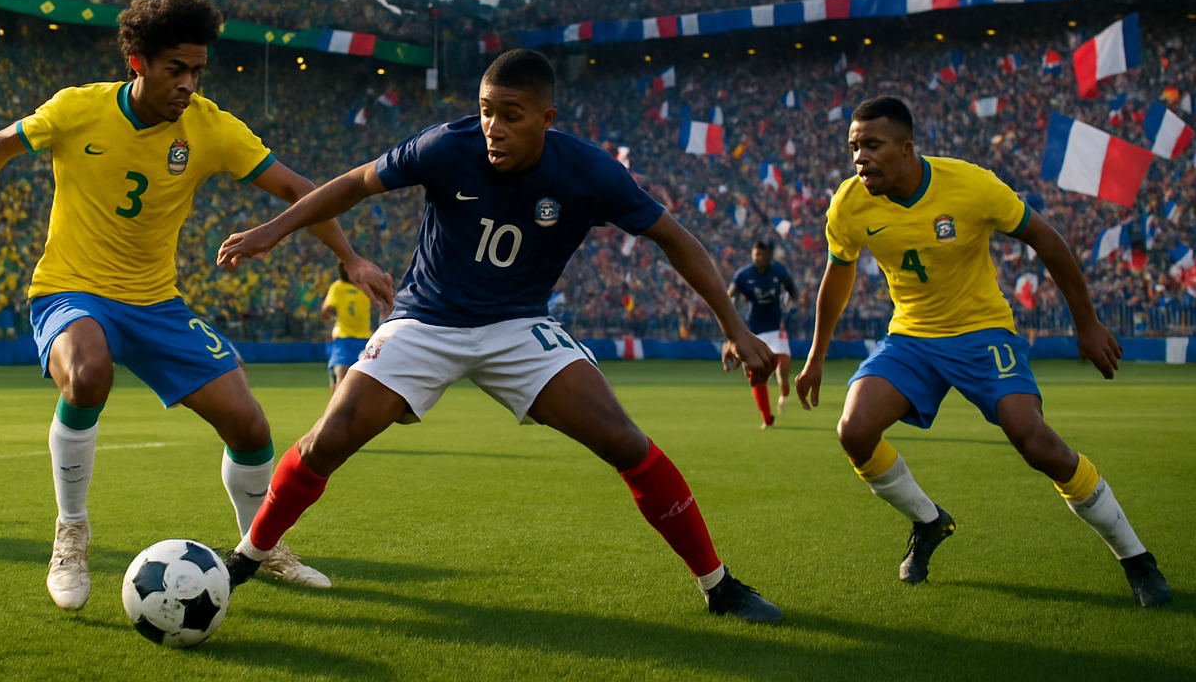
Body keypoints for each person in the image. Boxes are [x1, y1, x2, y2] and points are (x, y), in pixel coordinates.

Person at [216, 49, 783, 623]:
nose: (494, 126)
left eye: (511, 115)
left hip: (518, 325)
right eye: (487, 111)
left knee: (624, 441)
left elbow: (676, 238)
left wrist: (733, 328)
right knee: (328, 439)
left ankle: (718, 585)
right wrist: (273, 231)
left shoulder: (590, 172)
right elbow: (357, 182)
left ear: (546, 119)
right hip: (425, 319)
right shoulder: (446, 146)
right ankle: (247, 557)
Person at [0, 0, 392, 611]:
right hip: (71, 290)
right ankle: (71, 533)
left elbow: (299, 188)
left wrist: (350, 258)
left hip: (157, 303)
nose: (188, 83)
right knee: (88, 374)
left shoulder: (211, 127)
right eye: (175, 69)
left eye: (197, 71)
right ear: (137, 63)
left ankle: (261, 546)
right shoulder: (78, 108)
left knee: (249, 425)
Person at [795, 96, 1170, 606]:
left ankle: (1136, 558)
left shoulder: (970, 185)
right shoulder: (849, 203)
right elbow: (837, 276)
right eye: (854, 147)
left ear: (906, 147)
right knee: (854, 431)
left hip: (982, 332)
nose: (860, 158)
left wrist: (1086, 322)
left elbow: (1045, 238)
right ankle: (929, 522)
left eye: (872, 145)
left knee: (1035, 441)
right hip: (912, 337)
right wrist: (816, 355)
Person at [728, 240, 799, 427]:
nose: (758, 258)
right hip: (755, 330)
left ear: (768, 256)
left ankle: (784, 394)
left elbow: (792, 288)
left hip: (776, 328)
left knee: (783, 366)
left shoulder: (778, 270)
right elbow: (730, 295)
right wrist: (731, 317)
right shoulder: (743, 275)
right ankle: (766, 418)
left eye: (761, 254)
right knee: (756, 374)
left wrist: (795, 302)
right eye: (755, 254)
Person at [320, 263, 374, 393]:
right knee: (341, 374)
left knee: (365, 380)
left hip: (365, 339)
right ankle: (337, 405)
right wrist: (335, 319)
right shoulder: (338, 287)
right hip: (344, 338)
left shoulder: (366, 287)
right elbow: (325, 311)